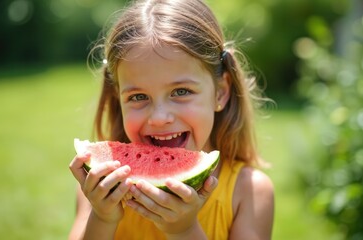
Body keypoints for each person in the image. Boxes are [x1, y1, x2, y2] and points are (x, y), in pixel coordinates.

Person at [69, 0, 274, 239]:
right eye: (138, 96)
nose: (159, 118)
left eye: (181, 92)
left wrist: (184, 230)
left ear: (220, 92)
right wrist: (102, 218)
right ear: (119, 99)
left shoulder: (249, 192)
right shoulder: (100, 185)